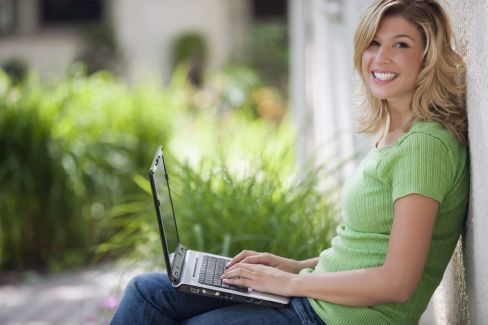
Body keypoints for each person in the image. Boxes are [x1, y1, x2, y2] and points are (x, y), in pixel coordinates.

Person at [111, 0, 469, 324]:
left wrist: (288, 283)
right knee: (147, 293)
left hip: (337, 318)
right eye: (373, 43)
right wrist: (293, 267)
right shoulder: (398, 135)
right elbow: (367, 248)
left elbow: (397, 282)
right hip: (313, 299)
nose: (381, 58)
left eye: (401, 45)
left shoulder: (425, 146)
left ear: (428, 56)